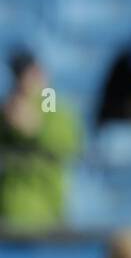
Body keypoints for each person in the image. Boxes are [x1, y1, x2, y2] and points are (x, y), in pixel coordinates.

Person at [0, 49, 81, 233]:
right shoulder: (10, 105)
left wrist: (33, 129)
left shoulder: (49, 99)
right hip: (11, 208)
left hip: (45, 207)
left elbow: (63, 142)